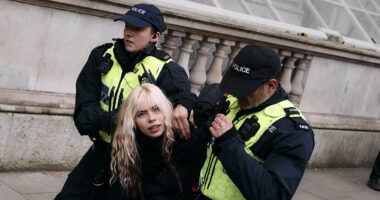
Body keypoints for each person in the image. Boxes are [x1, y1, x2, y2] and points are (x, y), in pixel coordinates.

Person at [55, 3, 196, 200]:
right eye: (127, 26)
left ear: (155, 36)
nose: (129, 33)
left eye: (138, 29)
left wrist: (184, 104)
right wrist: (117, 121)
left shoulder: (166, 69)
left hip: (136, 160)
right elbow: (83, 115)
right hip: (101, 150)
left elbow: (186, 97)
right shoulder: (101, 55)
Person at [193, 44, 315, 200]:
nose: (236, 94)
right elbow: (214, 90)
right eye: (234, 84)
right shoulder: (234, 100)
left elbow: (273, 195)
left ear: (271, 86)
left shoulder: (293, 131)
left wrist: (229, 143)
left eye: (245, 89)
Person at [105, 83, 205, 200]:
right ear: (133, 120)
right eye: (141, 114)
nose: (151, 118)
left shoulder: (185, 137)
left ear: (166, 109)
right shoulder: (127, 147)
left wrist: (185, 104)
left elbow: (215, 91)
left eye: (156, 109)